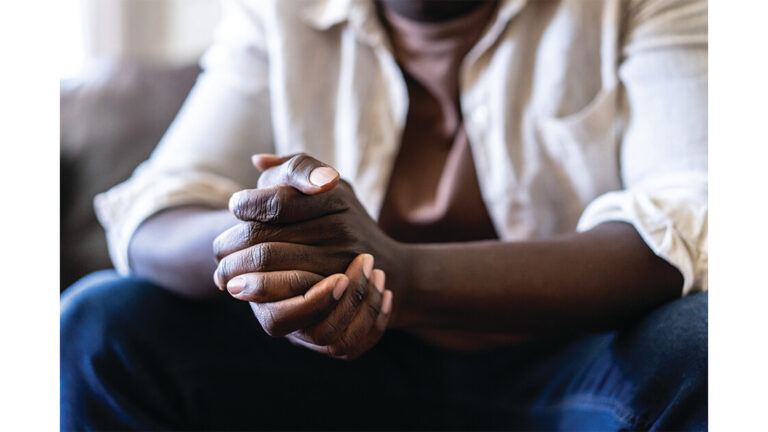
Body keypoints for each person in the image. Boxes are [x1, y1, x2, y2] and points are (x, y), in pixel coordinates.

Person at [61, 0, 708, 430]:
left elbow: (688, 215)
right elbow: (158, 209)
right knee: (100, 324)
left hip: (569, 360)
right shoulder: (283, 11)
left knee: (709, 342)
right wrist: (279, 250)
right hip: (340, 371)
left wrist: (396, 273)